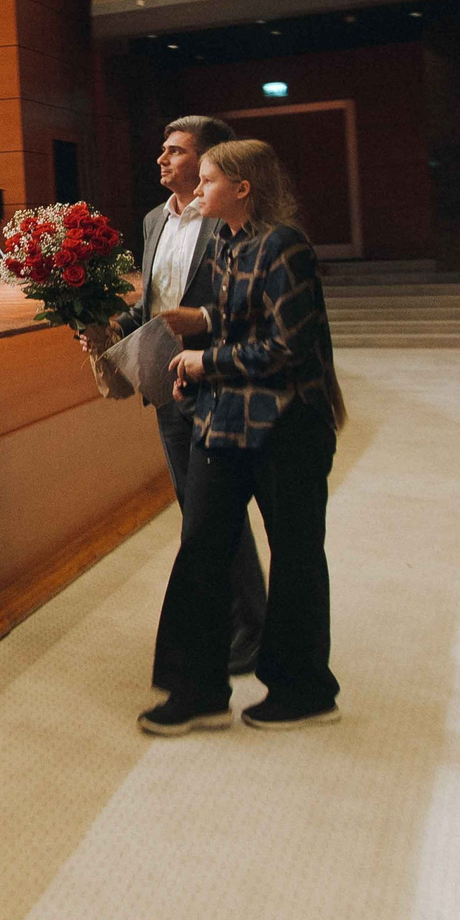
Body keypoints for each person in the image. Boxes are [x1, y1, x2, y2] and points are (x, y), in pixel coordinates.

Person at [147, 138, 344, 735]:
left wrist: (209, 363)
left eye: (207, 181)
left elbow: (288, 347)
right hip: (228, 419)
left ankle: (304, 689)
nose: (197, 190)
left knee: (296, 557)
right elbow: (240, 321)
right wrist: (199, 360)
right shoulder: (232, 245)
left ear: (243, 188)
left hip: (288, 426)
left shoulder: (285, 246)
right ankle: (197, 691)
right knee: (202, 550)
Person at [88, 115, 269, 680]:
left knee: (221, 514)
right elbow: (155, 303)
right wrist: (105, 322)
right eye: (161, 150)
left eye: (174, 151)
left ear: (210, 158)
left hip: (218, 382)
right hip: (167, 385)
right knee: (198, 514)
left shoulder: (234, 220)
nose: (161, 160)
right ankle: (230, 622)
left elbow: (247, 302)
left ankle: (254, 631)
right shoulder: (151, 220)